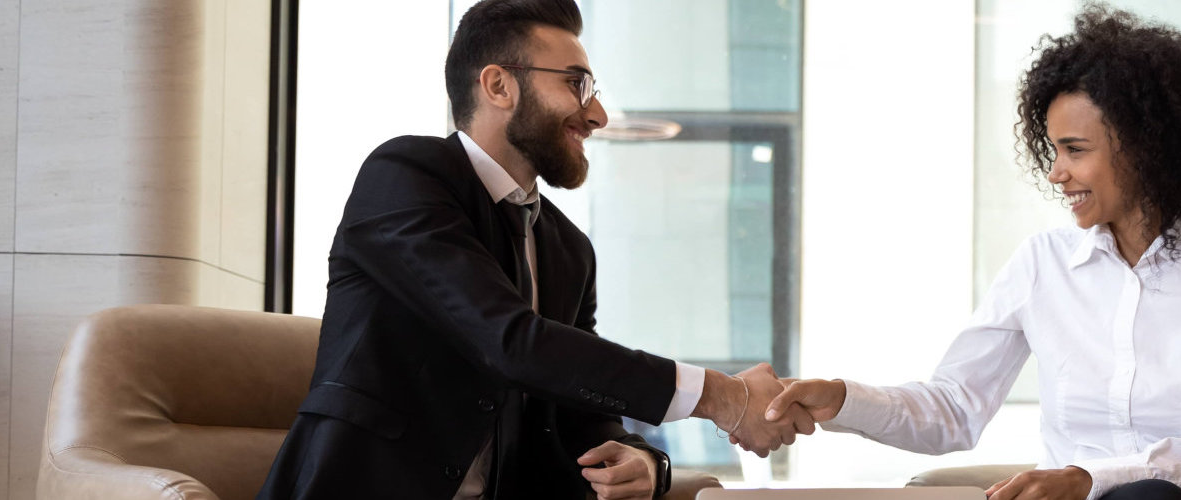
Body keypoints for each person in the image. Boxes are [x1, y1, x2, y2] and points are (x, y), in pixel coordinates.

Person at [764, 5, 1181, 500]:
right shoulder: (1041, 263)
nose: (1056, 173)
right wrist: (841, 399)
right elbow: (953, 408)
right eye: (1053, 150)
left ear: (1147, 148)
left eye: (1074, 150)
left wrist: (1085, 478)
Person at [256, 1, 805, 499]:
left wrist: (642, 459)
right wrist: (721, 396)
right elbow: (510, 342)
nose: (597, 116)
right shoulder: (404, 176)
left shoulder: (568, 249)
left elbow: (576, 405)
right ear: (498, 85)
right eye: (576, 84)